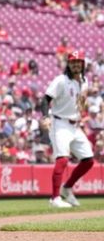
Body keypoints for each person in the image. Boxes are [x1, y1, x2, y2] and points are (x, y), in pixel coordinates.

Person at [42, 50, 95, 208]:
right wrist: (45, 117)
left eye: (79, 62)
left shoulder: (84, 81)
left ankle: (67, 188)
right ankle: (55, 198)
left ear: (83, 64)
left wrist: (82, 112)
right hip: (60, 123)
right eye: (73, 62)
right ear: (68, 64)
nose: (76, 64)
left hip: (74, 125)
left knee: (88, 160)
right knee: (63, 159)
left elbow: (80, 102)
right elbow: (45, 100)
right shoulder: (60, 80)